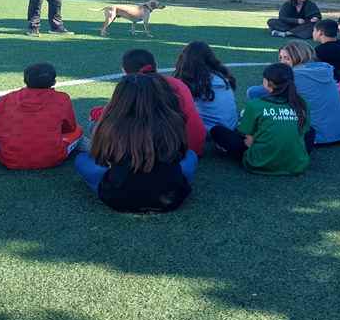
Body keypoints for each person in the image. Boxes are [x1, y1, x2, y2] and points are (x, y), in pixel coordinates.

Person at [74, 73, 196, 213]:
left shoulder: (109, 124)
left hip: (118, 197)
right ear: (157, 95)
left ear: (119, 98)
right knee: (190, 156)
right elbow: (181, 153)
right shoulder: (171, 120)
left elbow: (101, 157)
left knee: (81, 159)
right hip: (171, 197)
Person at [90, 49, 206, 156]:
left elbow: (112, 114)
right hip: (187, 148)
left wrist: (96, 114)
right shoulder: (176, 84)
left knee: (98, 124)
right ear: (155, 66)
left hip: (154, 151)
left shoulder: (133, 88)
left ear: (124, 71)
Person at [246, 41, 340, 145]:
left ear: (300, 56)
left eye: (287, 58)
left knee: (257, 94)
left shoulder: (293, 75)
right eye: (281, 58)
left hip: (315, 136)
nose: (282, 62)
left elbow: (254, 93)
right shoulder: (324, 69)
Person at [0, 63, 83, 170]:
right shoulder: (62, 98)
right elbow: (70, 128)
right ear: (54, 82)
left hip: (8, 157)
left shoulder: (8, 97)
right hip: (51, 158)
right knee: (78, 130)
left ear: (25, 80)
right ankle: (89, 148)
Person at [210, 63, 311, 175]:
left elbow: (246, 137)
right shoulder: (301, 103)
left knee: (217, 130)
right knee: (310, 131)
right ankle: (292, 153)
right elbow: (303, 131)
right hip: (297, 165)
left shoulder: (255, 104)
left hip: (258, 163)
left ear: (267, 83)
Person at [174, 41, 239, 132]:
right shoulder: (222, 77)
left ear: (185, 60)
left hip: (211, 134)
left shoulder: (193, 81)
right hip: (231, 129)